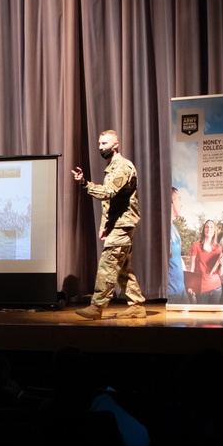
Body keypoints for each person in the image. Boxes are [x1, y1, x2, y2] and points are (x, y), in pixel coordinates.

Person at [72, 130, 146, 319]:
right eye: (99, 144)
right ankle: (136, 304)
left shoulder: (123, 167)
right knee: (121, 266)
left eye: (104, 144)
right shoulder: (112, 166)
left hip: (123, 225)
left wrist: (85, 184)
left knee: (108, 263)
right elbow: (111, 203)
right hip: (117, 224)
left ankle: (96, 307)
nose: (100, 147)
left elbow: (108, 193)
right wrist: (105, 225)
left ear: (115, 145)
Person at [188, 220, 222, 304]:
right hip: (201, 289)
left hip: (217, 288)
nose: (209, 229)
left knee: (214, 315)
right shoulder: (196, 245)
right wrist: (190, 285)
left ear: (214, 231)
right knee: (202, 316)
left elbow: (219, 273)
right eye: (207, 227)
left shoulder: (218, 248)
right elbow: (191, 268)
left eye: (211, 227)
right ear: (204, 229)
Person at [167, 187, 189, 304]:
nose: (181, 204)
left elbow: (178, 258)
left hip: (182, 291)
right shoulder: (163, 229)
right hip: (170, 294)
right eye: (179, 199)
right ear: (170, 201)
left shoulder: (175, 228)